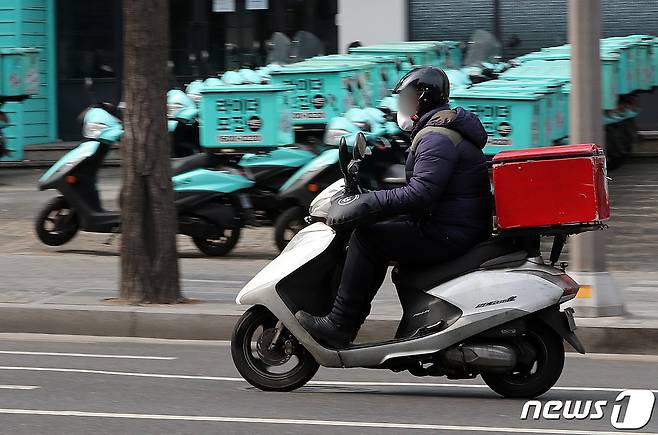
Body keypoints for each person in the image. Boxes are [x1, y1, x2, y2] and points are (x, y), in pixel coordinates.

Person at [296, 66, 493, 348]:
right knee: (378, 229)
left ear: (423, 97)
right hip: (452, 223)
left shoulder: (437, 137)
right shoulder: (438, 129)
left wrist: (368, 203)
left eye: (406, 98)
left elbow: (421, 193)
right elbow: (425, 187)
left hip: (451, 230)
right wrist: (374, 197)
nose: (401, 105)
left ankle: (340, 324)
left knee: (367, 239)